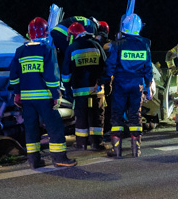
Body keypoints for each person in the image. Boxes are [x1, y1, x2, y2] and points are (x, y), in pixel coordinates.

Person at [8, 17, 77, 168]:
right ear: (45, 33)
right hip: (44, 97)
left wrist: (17, 93)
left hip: (26, 99)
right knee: (55, 126)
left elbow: (14, 75)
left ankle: (34, 161)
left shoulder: (20, 51)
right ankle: (59, 158)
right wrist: (55, 94)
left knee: (31, 128)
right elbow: (51, 76)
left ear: (29, 34)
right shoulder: (47, 50)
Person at [104, 12, 152, 158]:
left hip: (120, 83)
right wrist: (148, 87)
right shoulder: (145, 44)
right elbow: (148, 68)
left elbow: (110, 66)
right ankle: (135, 150)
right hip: (137, 84)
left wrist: (103, 81)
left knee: (117, 115)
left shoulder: (117, 45)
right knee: (135, 115)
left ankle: (116, 151)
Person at [62, 22, 108, 150]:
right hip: (96, 90)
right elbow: (106, 67)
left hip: (79, 92)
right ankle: (97, 144)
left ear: (73, 35)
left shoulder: (72, 48)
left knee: (81, 118)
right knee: (96, 117)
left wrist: (67, 88)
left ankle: (81, 144)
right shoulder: (96, 45)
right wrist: (103, 83)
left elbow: (66, 72)